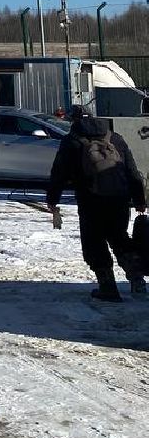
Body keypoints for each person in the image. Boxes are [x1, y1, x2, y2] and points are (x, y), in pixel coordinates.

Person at [47, 106, 148, 302]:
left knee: (94, 243)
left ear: (73, 121)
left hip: (90, 200)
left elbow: (58, 173)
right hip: (119, 199)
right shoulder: (114, 137)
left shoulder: (72, 141)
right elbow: (131, 171)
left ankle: (108, 287)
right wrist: (139, 200)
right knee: (120, 238)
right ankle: (137, 279)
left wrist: (53, 200)